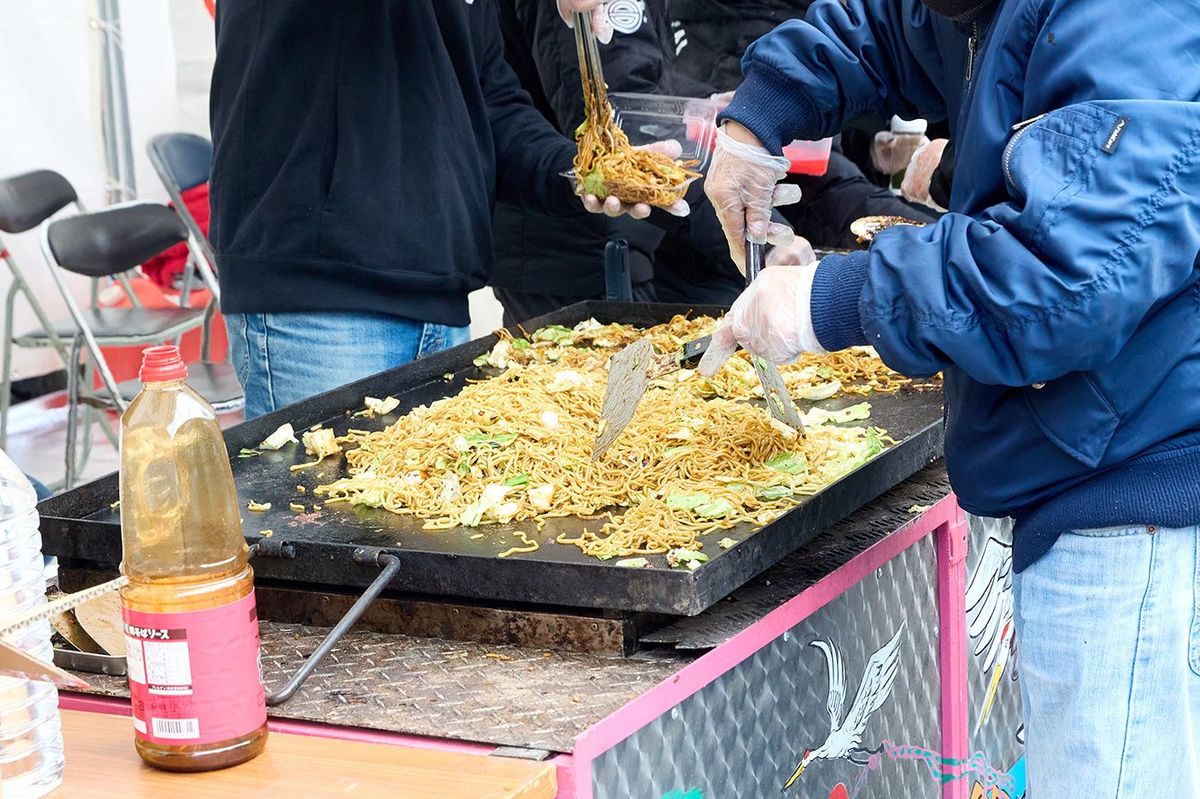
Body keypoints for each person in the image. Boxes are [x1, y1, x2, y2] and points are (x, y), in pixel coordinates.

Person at [699, 0, 1200, 794]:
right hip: (1080, 466)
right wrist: (758, 119)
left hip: (1123, 490)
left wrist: (828, 300)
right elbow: (886, 25)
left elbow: (1068, 278)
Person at [208, 0, 656, 417]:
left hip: (441, 301)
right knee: (315, 501)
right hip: (319, 300)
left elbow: (489, 101)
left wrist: (587, 173)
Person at [491, 0, 798, 326]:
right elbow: (620, 114)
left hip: (613, 237)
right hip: (571, 251)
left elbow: (647, 80)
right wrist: (761, 237)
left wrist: (707, 106)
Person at [668, 0, 941, 248]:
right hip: (711, 155)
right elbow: (866, 39)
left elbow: (861, 53)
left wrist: (868, 149)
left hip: (817, 159)